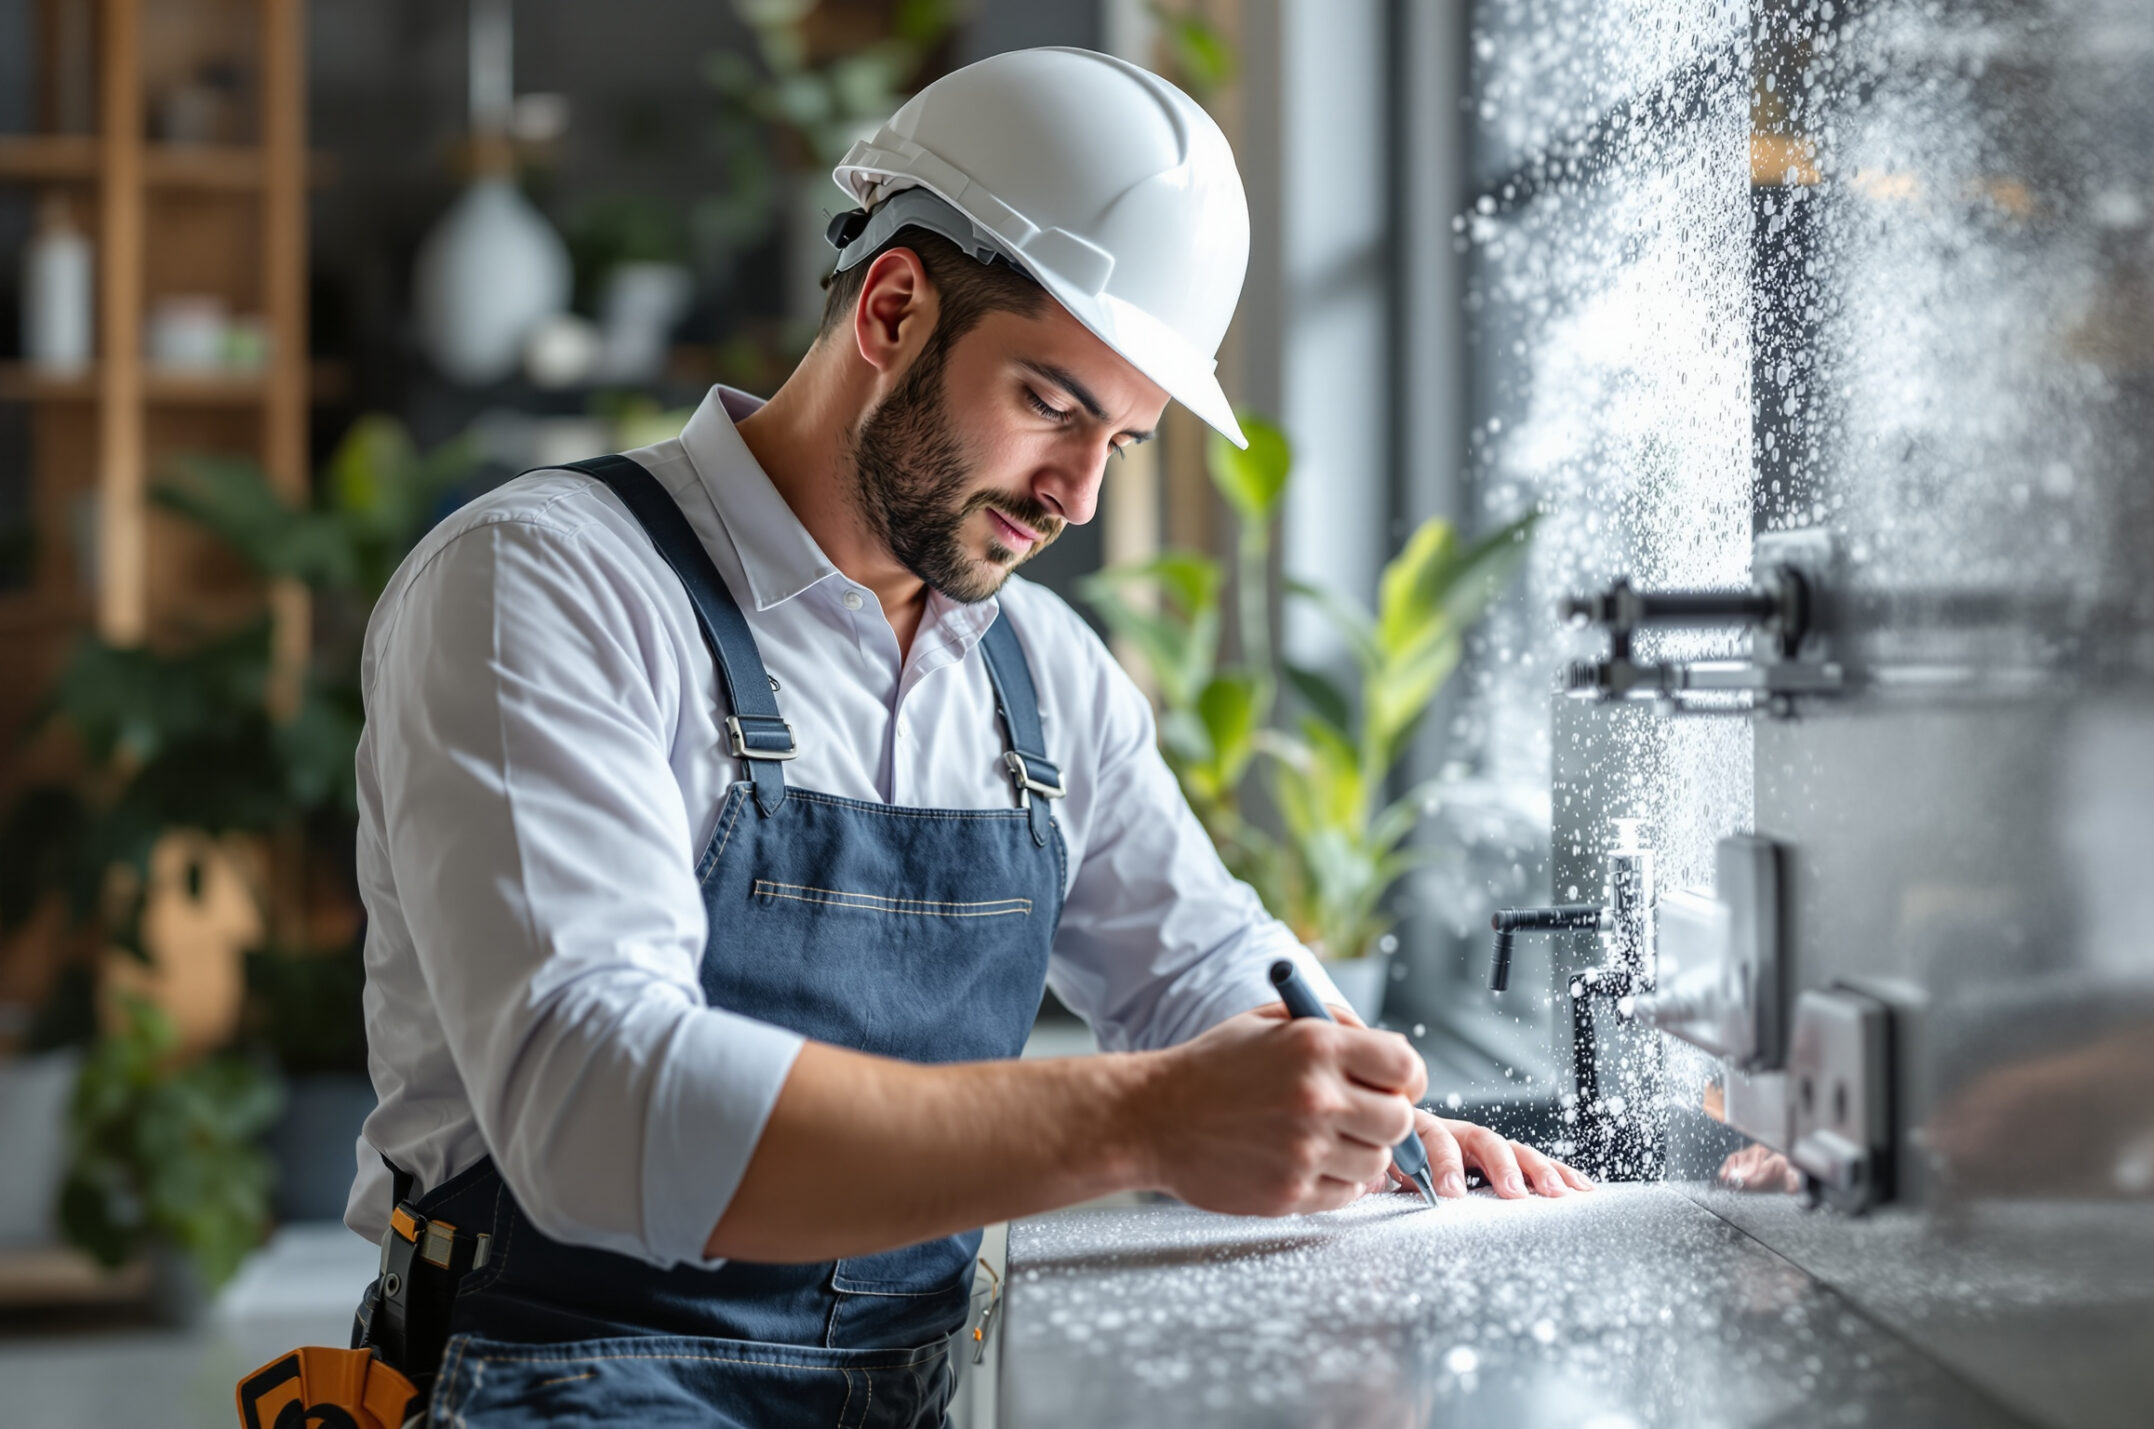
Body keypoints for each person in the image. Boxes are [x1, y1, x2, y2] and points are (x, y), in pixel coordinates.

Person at [346, 47, 1587, 1426]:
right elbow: (596, 1107)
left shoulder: (1041, 675)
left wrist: (1357, 1112)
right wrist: (1145, 1121)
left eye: (1116, 442)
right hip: (549, 1382)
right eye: (1052, 406)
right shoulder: (548, 585)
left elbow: (1204, 974)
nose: (1072, 496)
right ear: (891, 307)